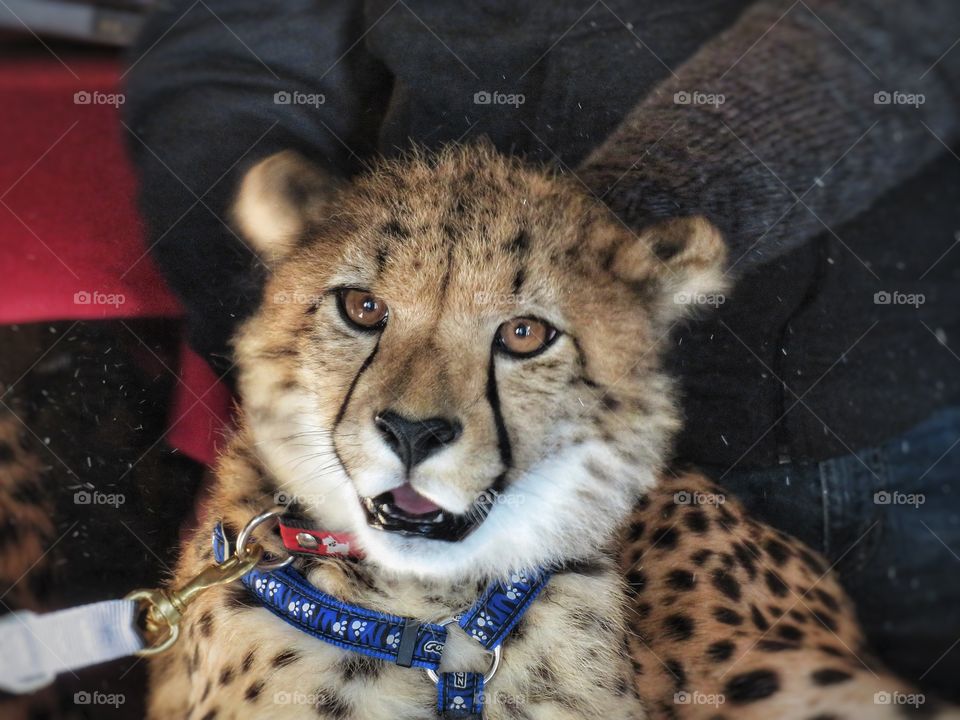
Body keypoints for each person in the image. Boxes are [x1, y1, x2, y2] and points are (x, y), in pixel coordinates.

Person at [123, 0, 960, 699]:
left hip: (856, 427)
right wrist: (301, 309)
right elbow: (231, 45)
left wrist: (585, 266)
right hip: (355, 496)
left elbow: (906, 23)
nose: (417, 408)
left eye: (522, 333)